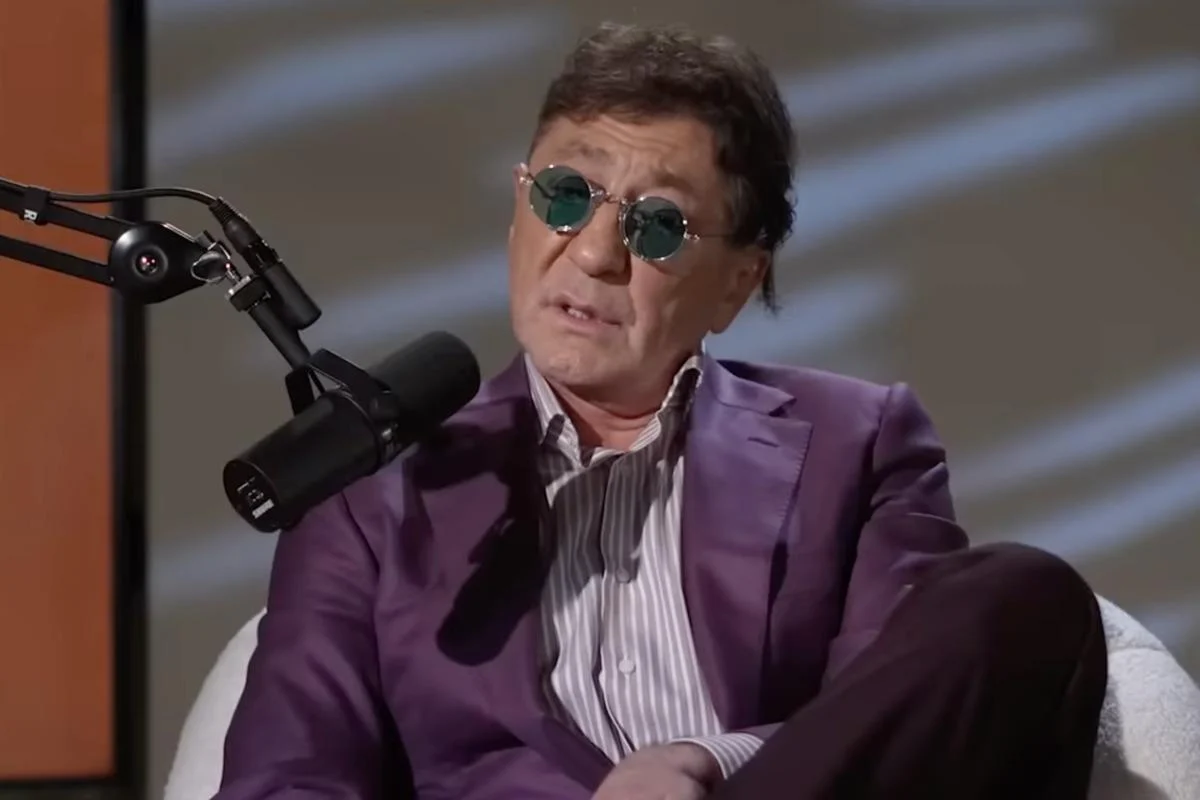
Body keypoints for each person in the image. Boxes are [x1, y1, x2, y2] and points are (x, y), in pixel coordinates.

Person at [215, 21, 1107, 800]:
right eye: (566, 195)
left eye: (657, 226)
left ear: (738, 282)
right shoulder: (372, 492)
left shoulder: (857, 443)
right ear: (519, 212)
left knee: (1026, 598)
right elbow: (286, 779)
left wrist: (707, 763)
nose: (594, 253)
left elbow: (897, 727)